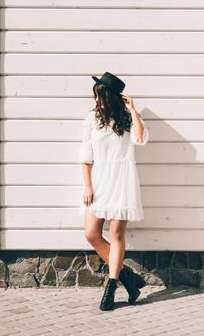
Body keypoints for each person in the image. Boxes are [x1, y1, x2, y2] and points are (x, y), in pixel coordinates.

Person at [78, 72, 149, 311]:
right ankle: (130, 279)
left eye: (101, 95)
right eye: (96, 96)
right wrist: (88, 186)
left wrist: (133, 110)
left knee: (117, 234)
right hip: (99, 180)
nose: (98, 100)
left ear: (110, 96)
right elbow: (86, 157)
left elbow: (140, 140)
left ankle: (110, 289)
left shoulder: (127, 119)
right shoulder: (92, 119)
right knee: (91, 233)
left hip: (122, 181)